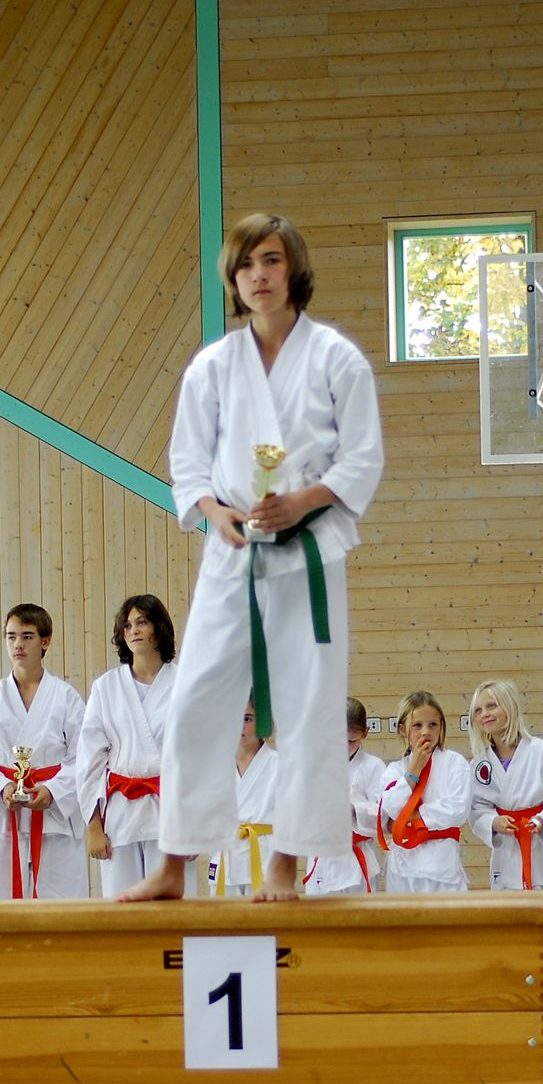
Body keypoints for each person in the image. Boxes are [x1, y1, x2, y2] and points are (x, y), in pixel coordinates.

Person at [122, 213, 384, 902]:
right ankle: (174, 863)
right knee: (194, 701)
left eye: (270, 260)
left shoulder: (336, 359)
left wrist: (303, 502)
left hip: (309, 550)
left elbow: (363, 457)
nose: (258, 275)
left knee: (310, 707)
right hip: (231, 553)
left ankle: (286, 865)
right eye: (245, 265)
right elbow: (188, 463)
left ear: (293, 269)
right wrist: (215, 513)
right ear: (233, 280)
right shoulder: (213, 366)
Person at [0, 604, 87, 900]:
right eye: (11, 636)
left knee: (61, 907)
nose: (18, 644)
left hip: (54, 819)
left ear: (46, 641)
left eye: (27, 636)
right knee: (2, 909)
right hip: (6, 817)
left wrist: (53, 790)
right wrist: (1, 787)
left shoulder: (66, 698)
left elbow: (84, 757)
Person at [78, 595, 179, 897]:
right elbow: (90, 761)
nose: (133, 630)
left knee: (171, 907)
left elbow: (199, 757)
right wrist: (94, 827)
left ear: (158, 629)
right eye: (127, 625)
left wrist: (195, 828)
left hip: (171, 809)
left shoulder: (184, 682)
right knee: (120, 906)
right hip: (120, 814)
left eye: (141, 622)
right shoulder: (106, 687)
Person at [467, 680, 543, 894]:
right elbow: (476, 808)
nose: (485, 714)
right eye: (478, 710)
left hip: (542, 848)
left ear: (510, 707)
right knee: (509, 913)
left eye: (492, 706)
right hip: (507, 851)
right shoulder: (480, 763)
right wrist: (493, 821)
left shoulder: (539, 750)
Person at [378, 691, 471, 893]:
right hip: (403, 868)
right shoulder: (395, 770)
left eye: (433, 725)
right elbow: (391, 808)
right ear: (402, 729)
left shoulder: (455, 763)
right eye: (417, 725)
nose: (426, 732)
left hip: (442, 865)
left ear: (441, 727)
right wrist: (413, 771)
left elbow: (458, 810)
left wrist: (412, 817)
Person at [305, 696, 379, 895]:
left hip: (358, 857)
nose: (344, 746)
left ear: (365, 733)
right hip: (322, 856)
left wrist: (355, 810)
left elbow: (384, 814)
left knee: (361, 914)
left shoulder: (373, 767)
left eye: (351, 740)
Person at [210, 704, 276, 897]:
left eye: (247, 718)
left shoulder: (279, 763)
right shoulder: (217, 765)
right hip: (225, 857)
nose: (240, 725)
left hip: (264, 859)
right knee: (222, 915)